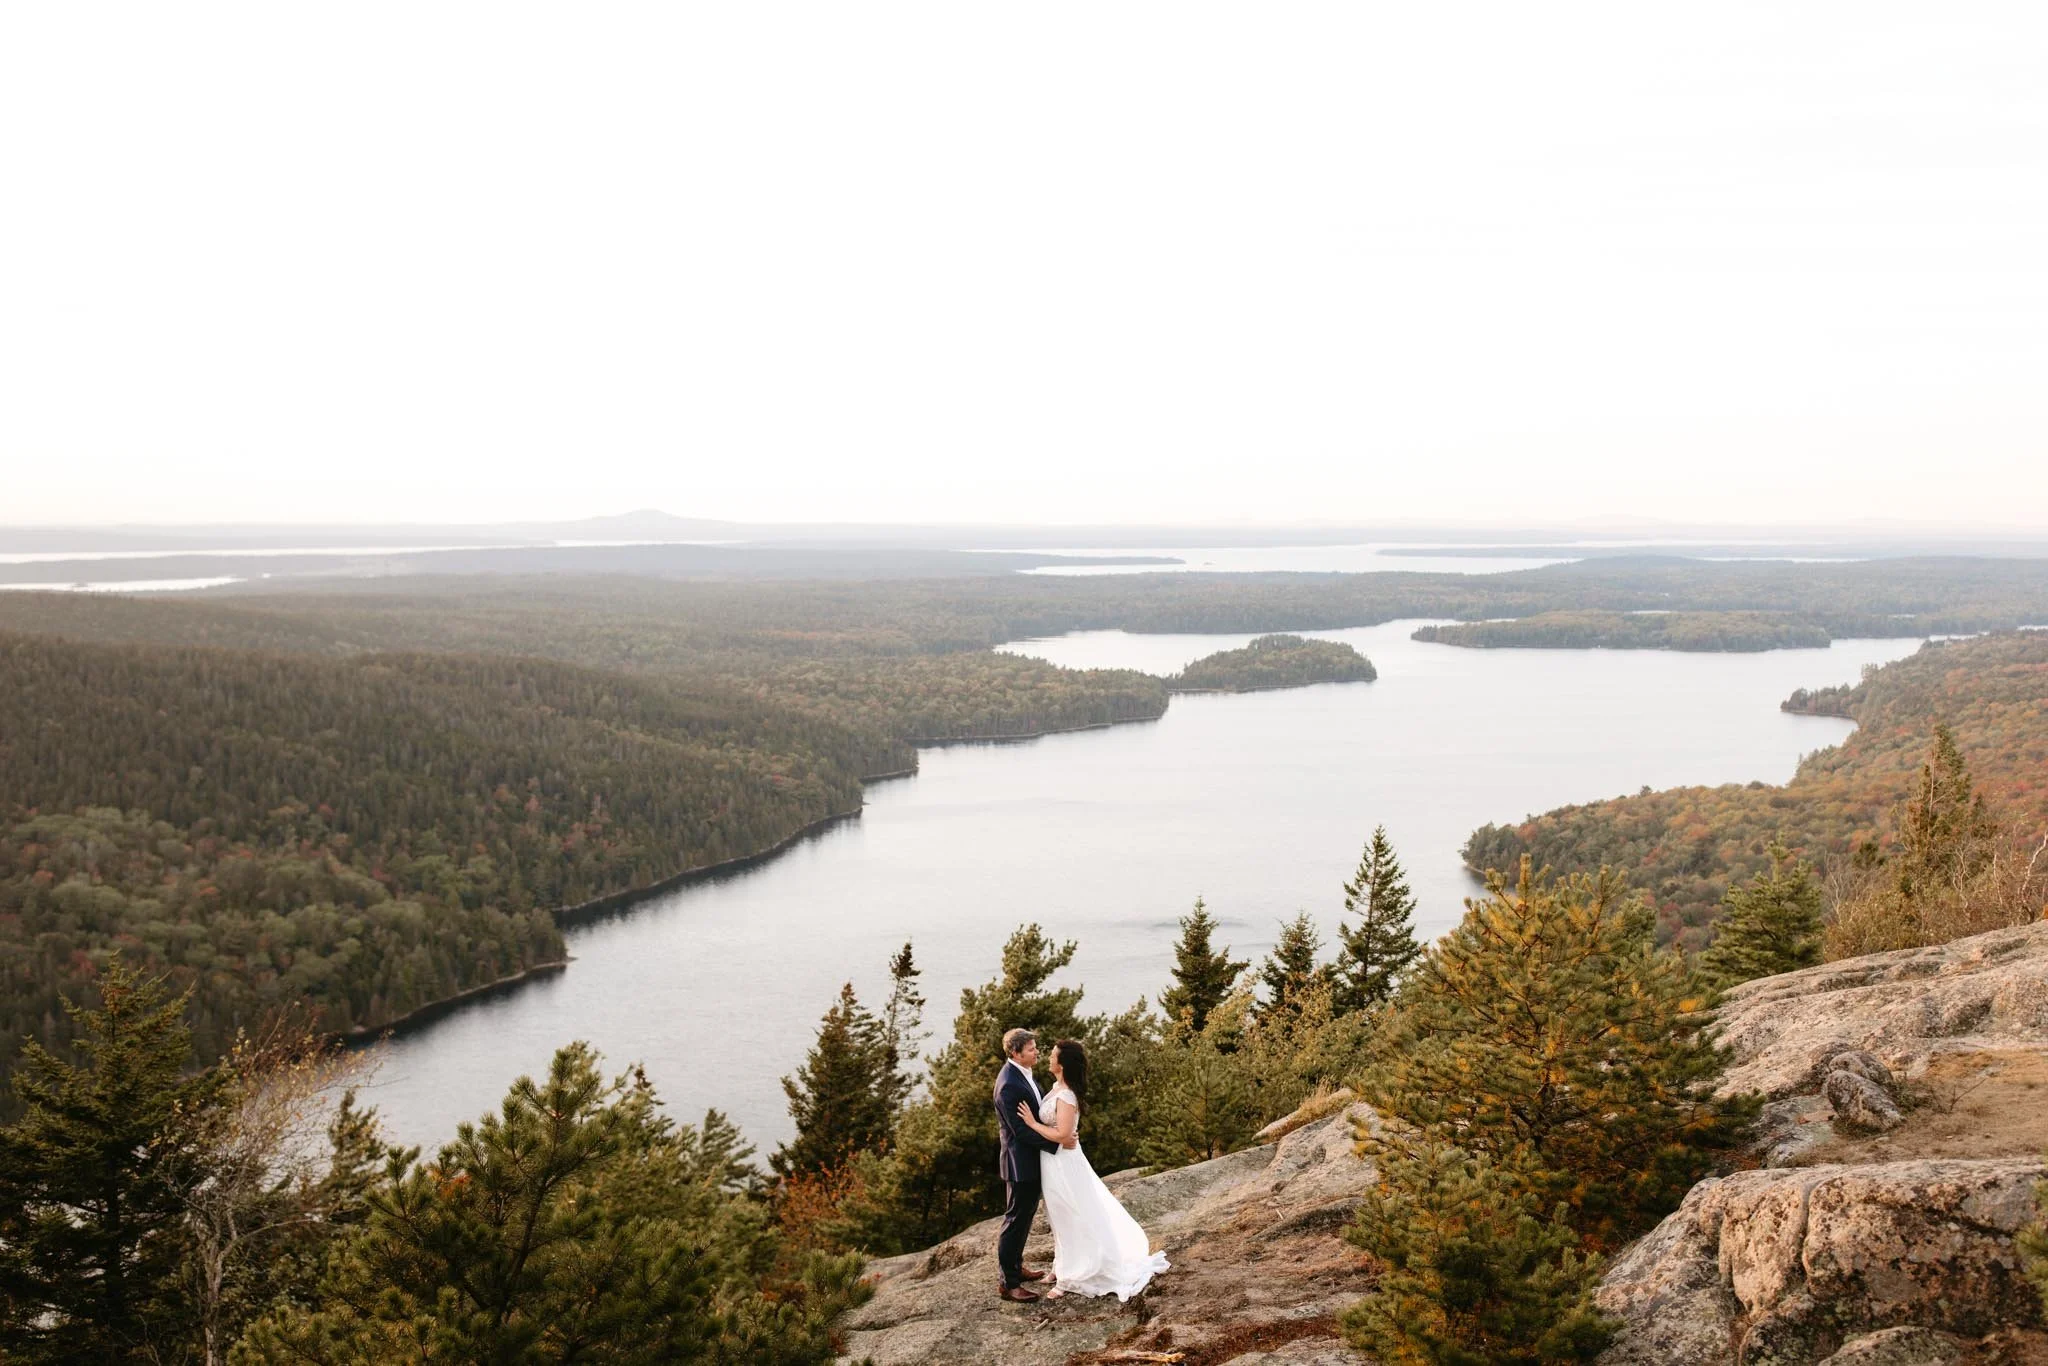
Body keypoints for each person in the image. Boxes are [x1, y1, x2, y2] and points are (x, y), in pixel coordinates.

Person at [1013, 1038, 1169, 1300]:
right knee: (1058, 1215)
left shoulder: (1067, 1095)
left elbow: (1063, 1134)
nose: (1048, 1057)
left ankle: (1071, 1278)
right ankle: (1061, 1266)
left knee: (1072, 1214)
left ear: (1061, 1064)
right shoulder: (1056, 1087)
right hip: (1052, 1162)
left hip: (1064, 1162)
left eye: (1052, 1055)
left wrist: (1031, 1122)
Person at [991, 1027, 1064, 1302]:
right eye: (1032, 1049)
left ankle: (1016, 1268)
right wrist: (1058, 1144)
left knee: (1024, 1219)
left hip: (1031, 1161)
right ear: (1016, 1052)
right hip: (1020, 1164)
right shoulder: (1009, 1084)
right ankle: (1008, 1284)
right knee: (1015, 1221)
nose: (1037, 1052)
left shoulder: (1023, 1074)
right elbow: (1020, 1131)